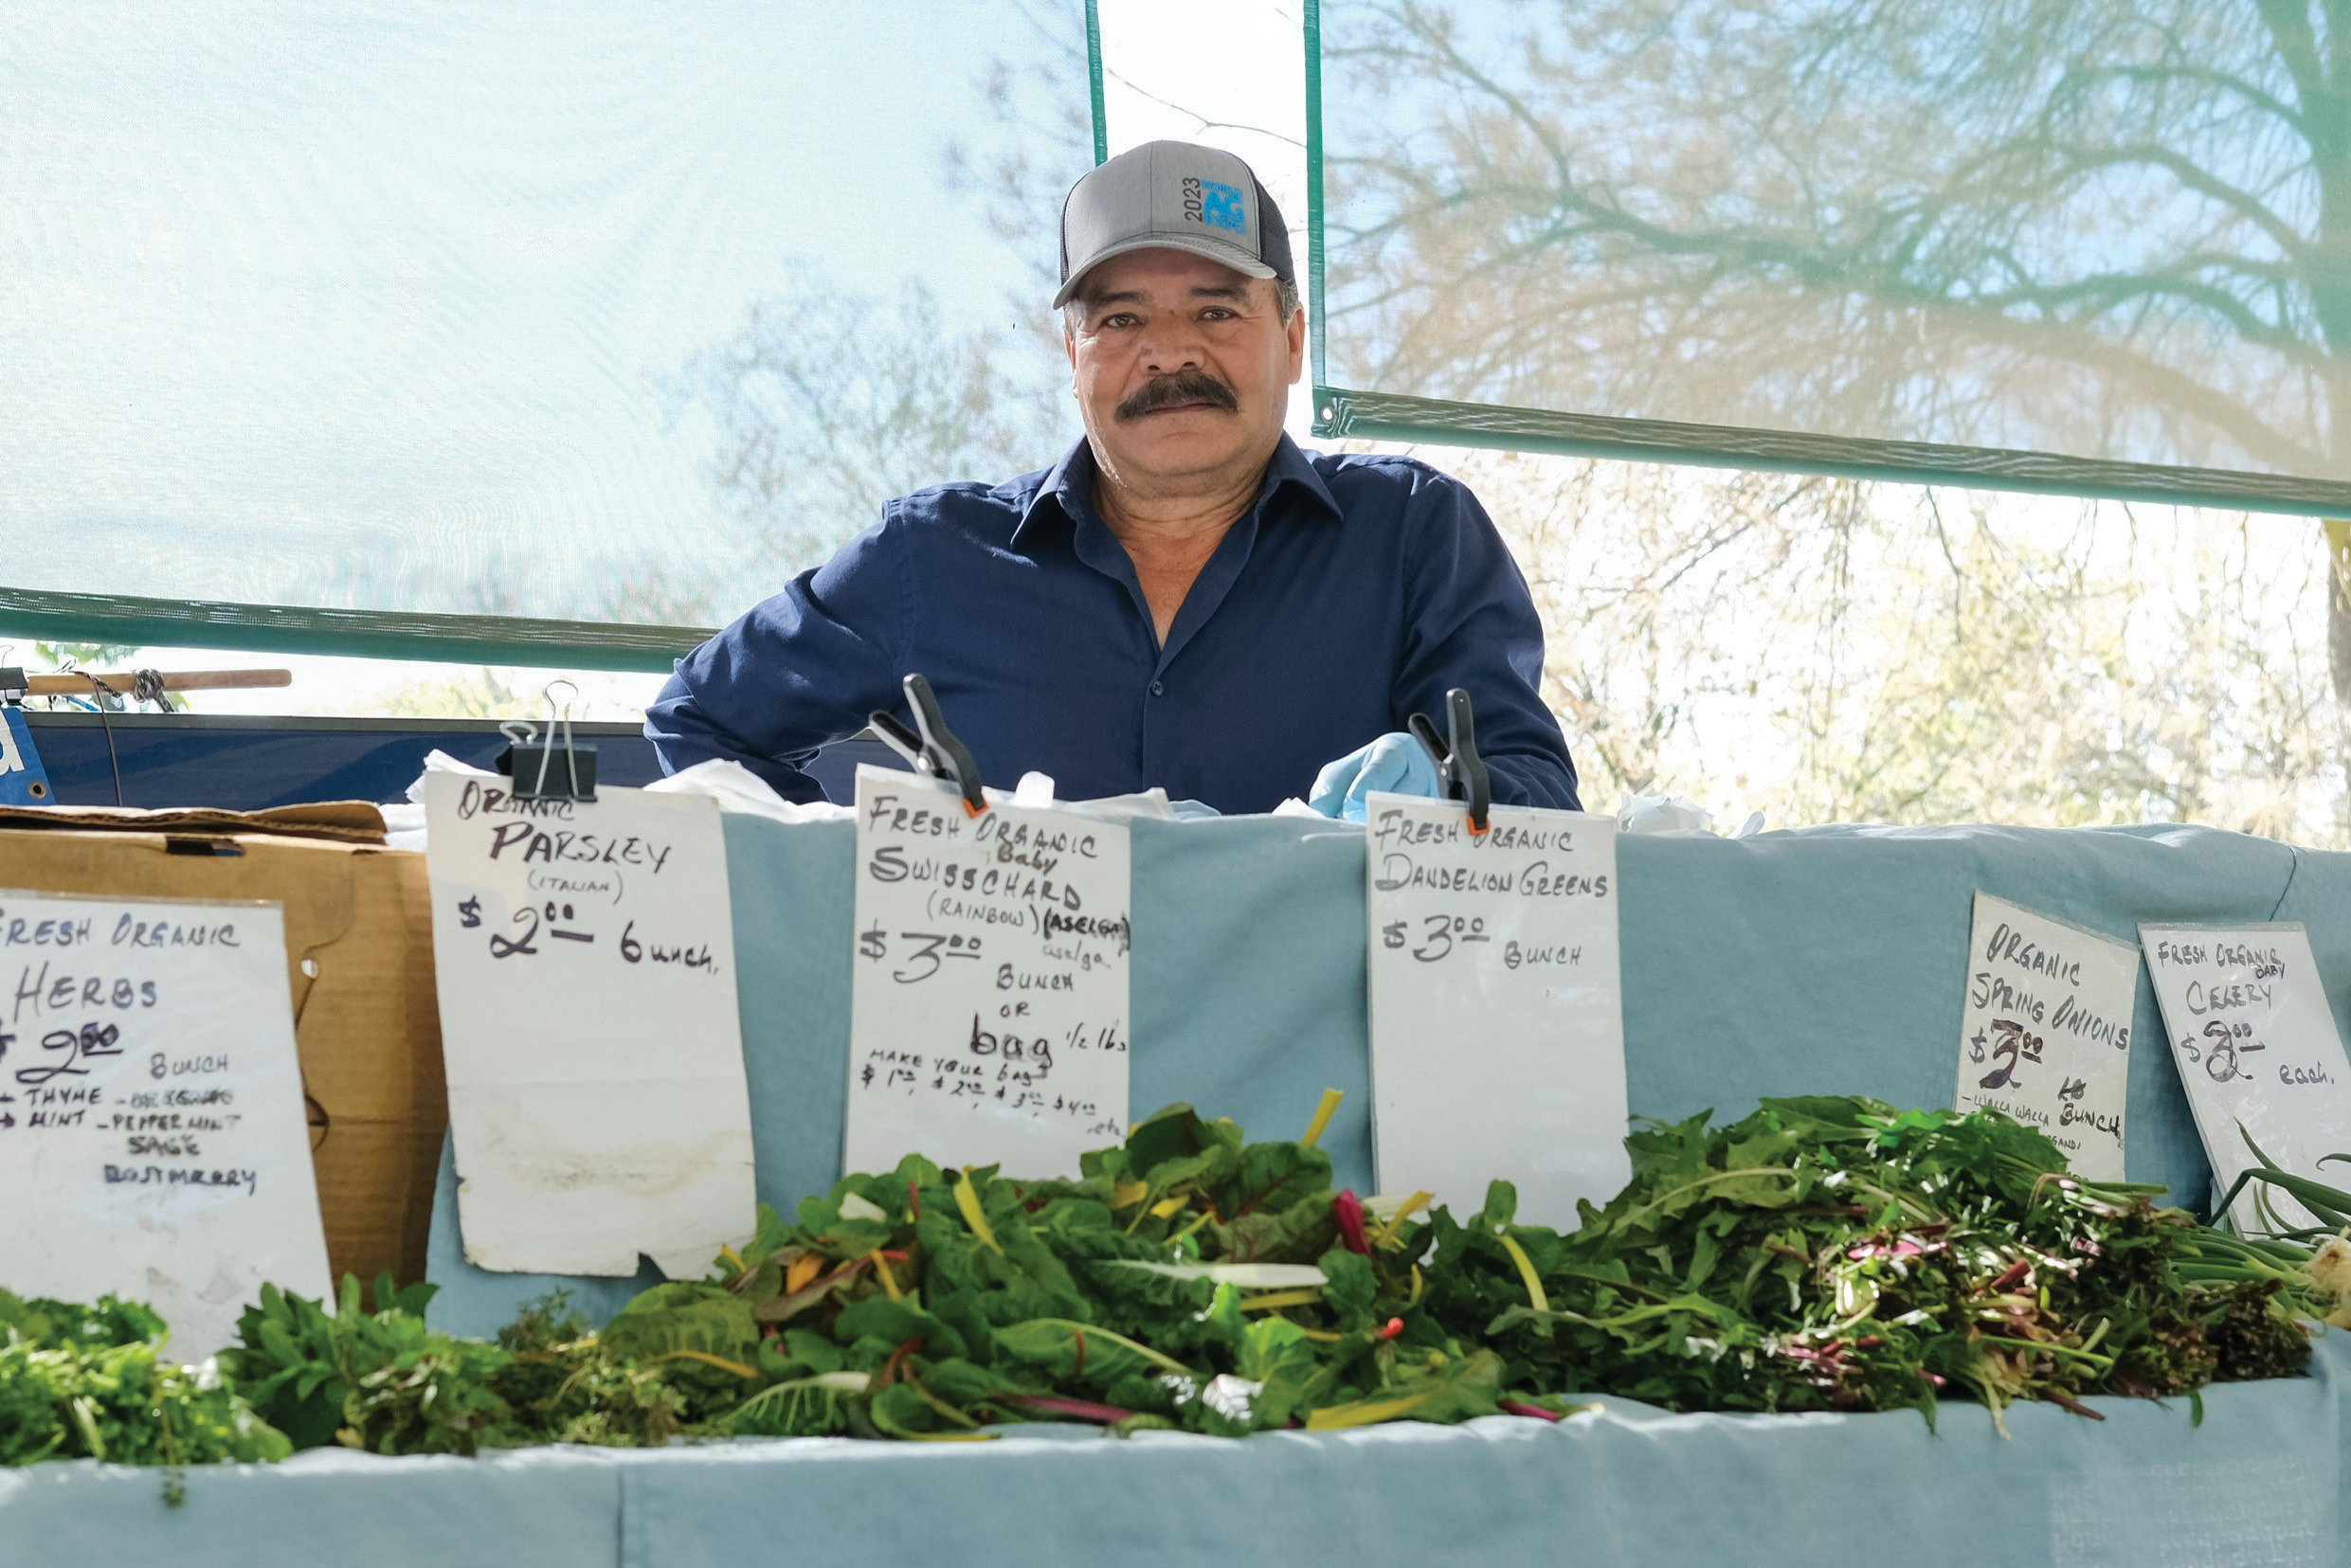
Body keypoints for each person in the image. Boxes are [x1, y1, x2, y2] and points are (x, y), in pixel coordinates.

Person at [645, 140, 1580, 820]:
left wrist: (1451, 799)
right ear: (1072, 352)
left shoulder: (1416, 533)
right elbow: (704, 723)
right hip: (1000, 1070)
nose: (1169, 352)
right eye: (1120, 319)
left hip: (1330, 1089)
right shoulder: (926, 558)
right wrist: (845, 881)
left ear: (1293, 340)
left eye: (1215, 309)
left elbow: (1537, 795)